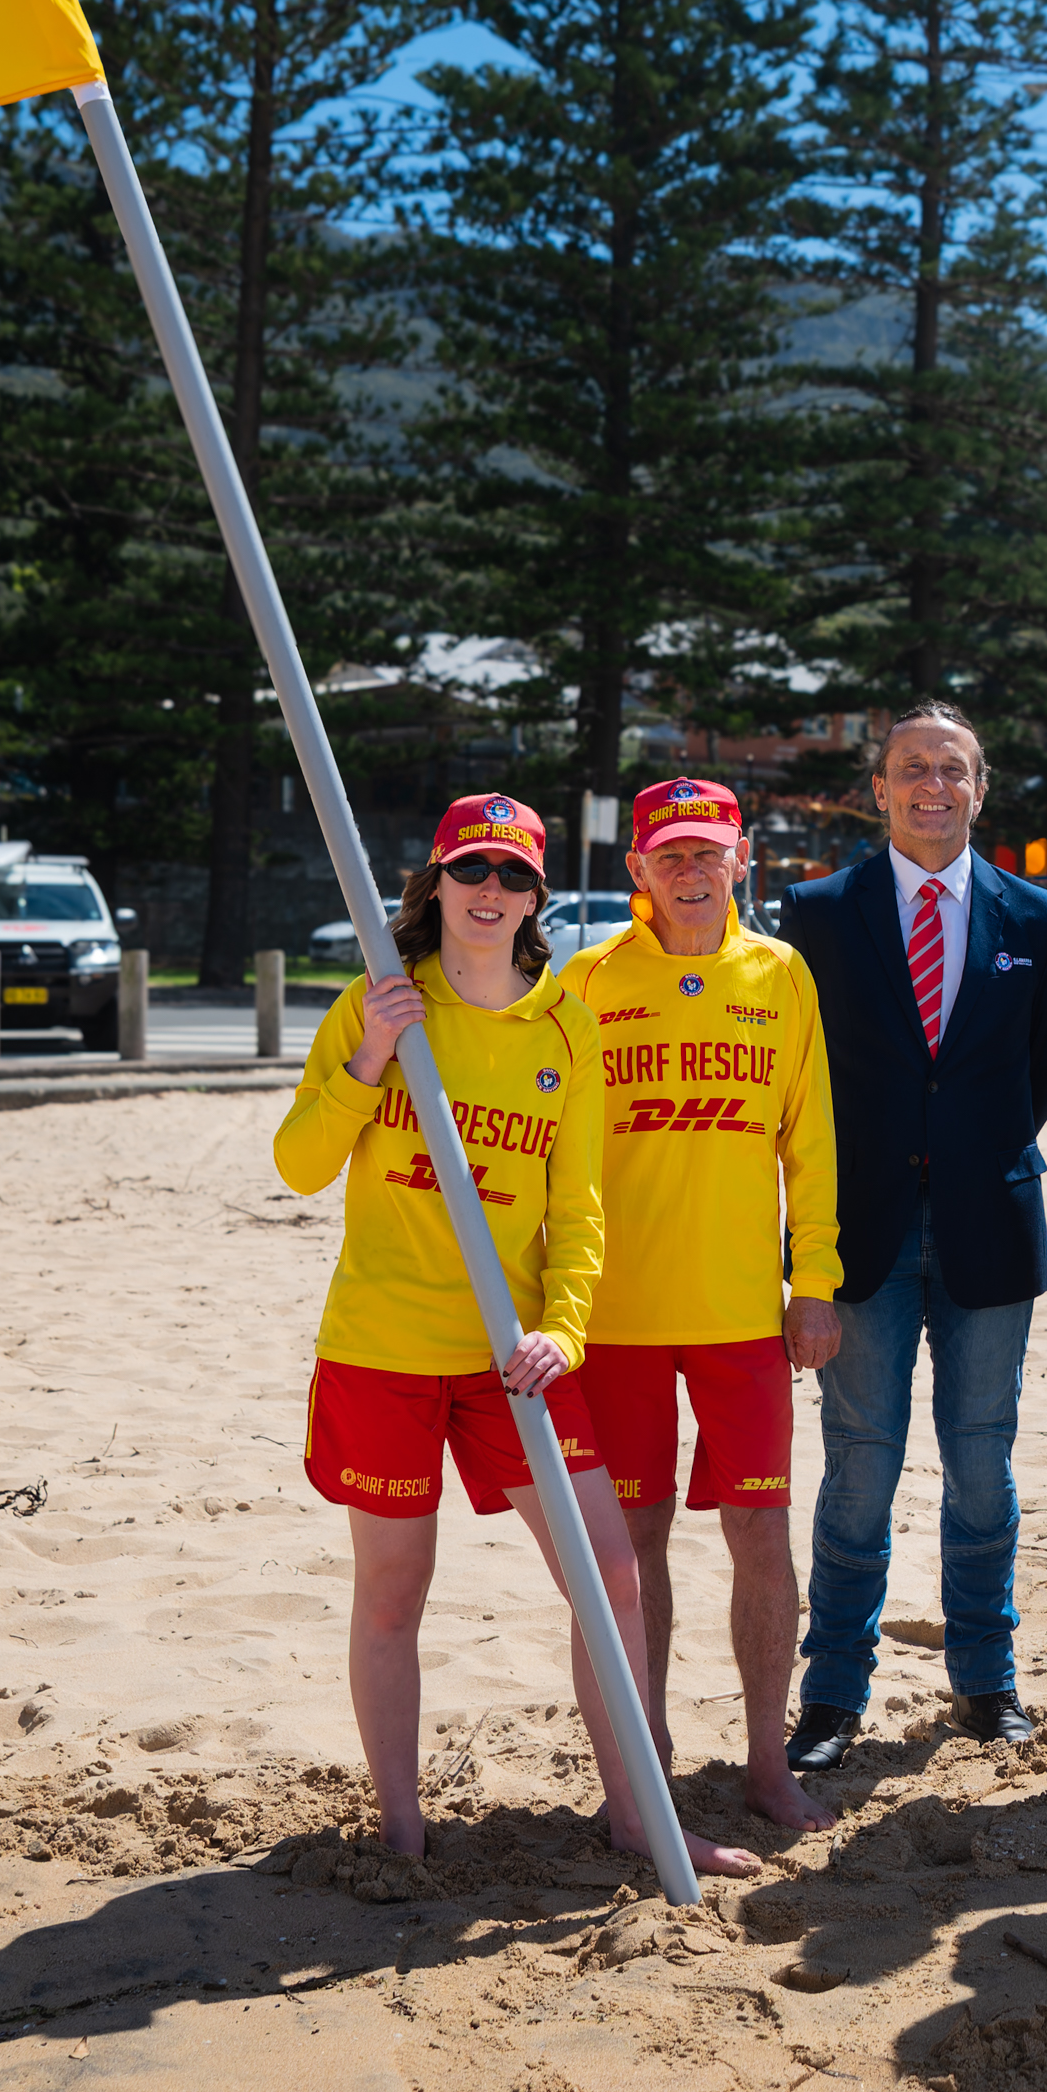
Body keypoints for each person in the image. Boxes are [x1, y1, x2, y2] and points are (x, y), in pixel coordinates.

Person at [271, 792, 746, 1877]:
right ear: (435, 881)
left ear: (537, 896)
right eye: (472, 869)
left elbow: (579, 1210)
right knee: (394, 1592)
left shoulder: (564, 1025)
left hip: (512, 1357)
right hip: (385, 1347)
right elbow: (299, 1165)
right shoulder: (381, 1001)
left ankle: (637, 1814)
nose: (491, 891)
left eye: (514, 875)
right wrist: (371, 1056)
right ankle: (401, 1832)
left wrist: (564, 1329)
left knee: (611, 1576)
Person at [775, 704, 1047, 1771]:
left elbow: (1043, 1069)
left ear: (980, 788)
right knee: (858, 1467)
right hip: (856, 1230)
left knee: (981, 1461)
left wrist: (965, 1152)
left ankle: (985, 1680)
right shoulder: (819, 911)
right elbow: (803, 1077)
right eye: (912, 767)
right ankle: (833, 1692)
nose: (932, 785)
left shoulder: (1042, 918)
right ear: (880, 787)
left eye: (952, 768)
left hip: (988, 1225)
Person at [558, 777, 844, 1835]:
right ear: (637, 865)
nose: (690, 870)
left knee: (760, 1533)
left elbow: (810, 1141)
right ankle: (647, 1763)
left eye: (707, 852)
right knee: (633, 1541)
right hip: (615, 1318)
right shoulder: (586, 980)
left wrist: (815, 1281)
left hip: (742, 1318)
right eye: (670, 853)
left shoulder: (782, 973)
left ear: (741, 859)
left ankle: (768, 1764)